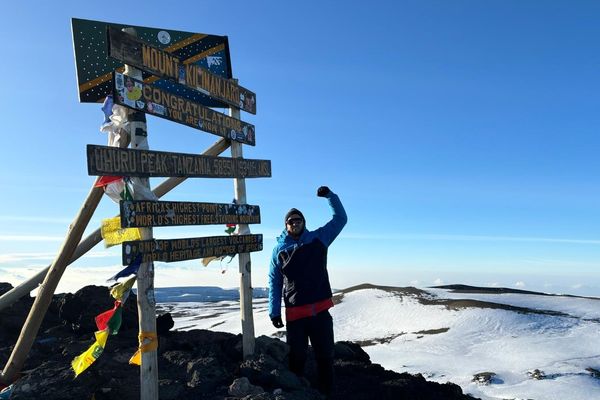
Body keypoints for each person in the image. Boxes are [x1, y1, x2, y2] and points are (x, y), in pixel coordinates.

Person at [268, 186, 347, 396]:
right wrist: (274, 311)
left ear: (304, 222)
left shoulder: (319, 238)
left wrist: (330, 196)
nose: (295, 223)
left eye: (298, 219)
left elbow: (340, 219)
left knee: (325, 357)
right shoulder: (279, 250)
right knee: (297, 359)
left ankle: (328, 393)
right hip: (296, 315)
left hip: (320, 312)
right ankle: (297, 393)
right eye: (291, 221)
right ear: (286, 225)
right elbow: (275, 281)